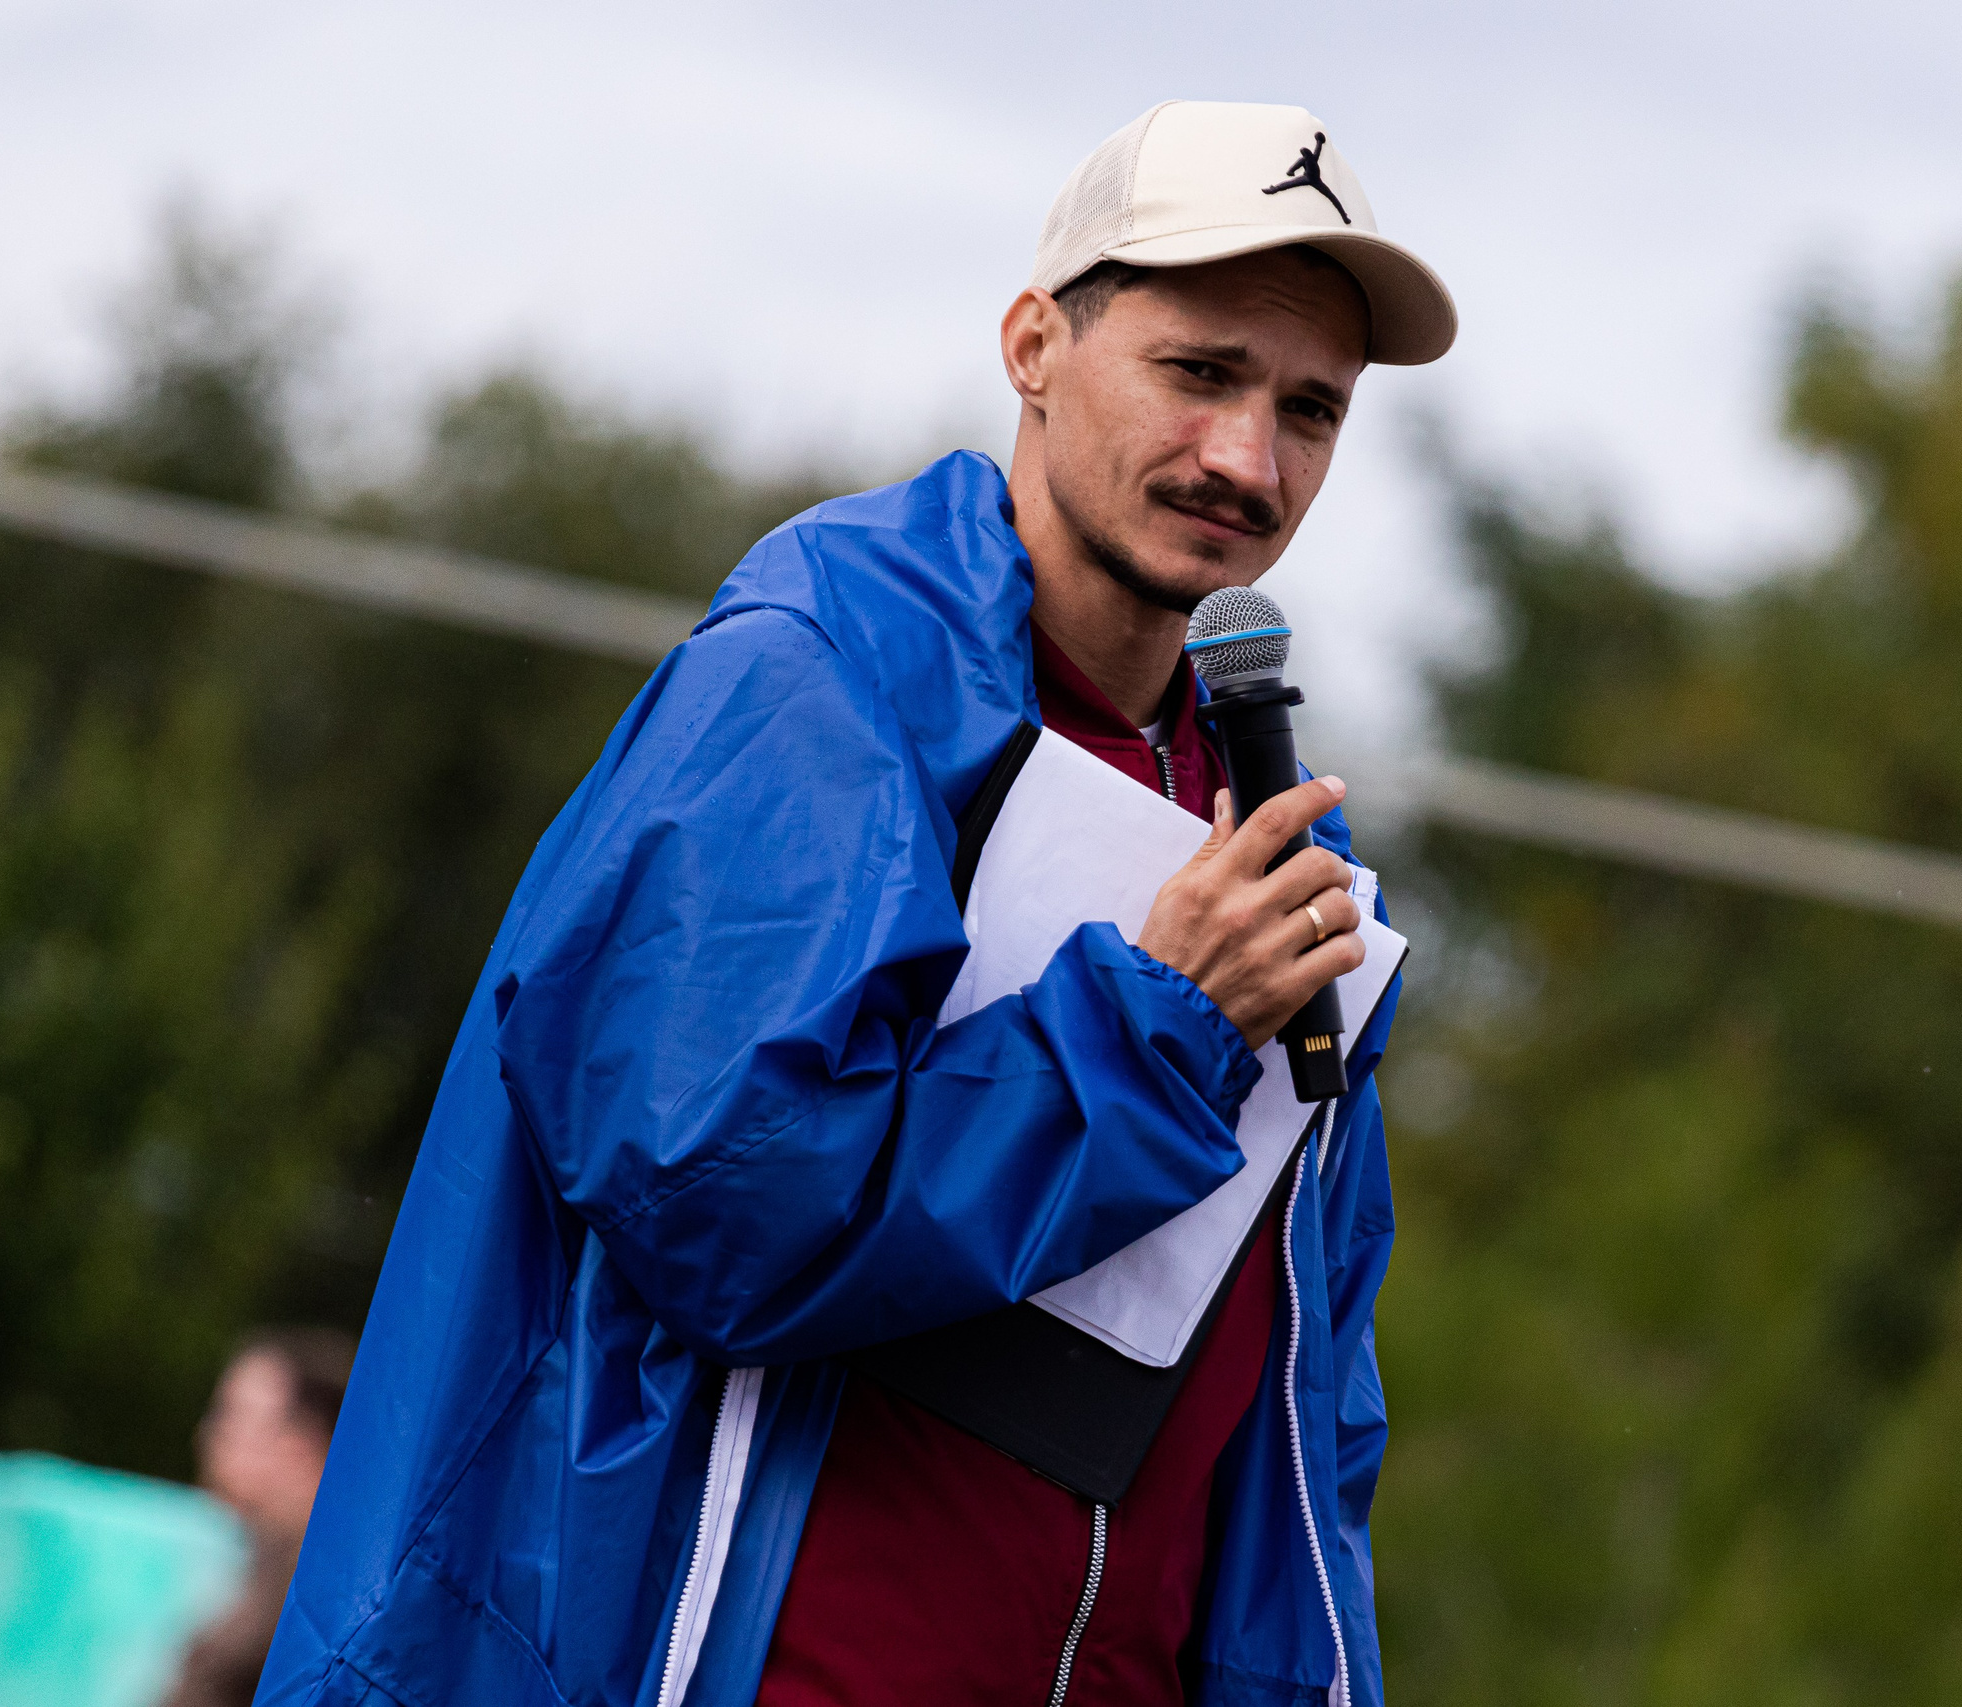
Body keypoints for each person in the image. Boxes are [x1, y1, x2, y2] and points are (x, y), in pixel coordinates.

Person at [258, 99, 1456, 1707]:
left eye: (1310, 405)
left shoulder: (1265, 842)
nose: (1251, 457)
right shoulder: (815, 681)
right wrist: (1151, 1027)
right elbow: (718, 1206)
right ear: (1035, 342)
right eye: (1200, 371)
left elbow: (1306, 1421)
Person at [162, 1330, 355, 1707]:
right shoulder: (281, 1567)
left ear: (303, 1442)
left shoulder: (318, 1594)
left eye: (233, 1417)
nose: (206, 1437)